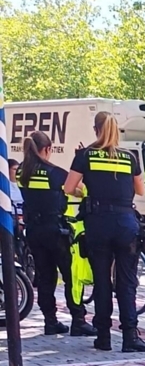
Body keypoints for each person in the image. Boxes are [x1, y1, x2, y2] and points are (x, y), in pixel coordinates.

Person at [64, 111, 145, 353]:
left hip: (98, 223)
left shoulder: (85, 155)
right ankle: (130, 337)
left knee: (102, 281)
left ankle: (103, 337)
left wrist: (86, 192)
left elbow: (69, 187)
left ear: (96, 130)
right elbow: (141, 191)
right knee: (126, 283)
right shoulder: (129, 157)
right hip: (126, 223)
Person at [18, 132, 97, 337]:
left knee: (45, 277)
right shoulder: (55, 173)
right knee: (71, 277)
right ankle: (78, 321)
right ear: (47, 149)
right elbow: (81, 190)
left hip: (34, 231)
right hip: (57, 231)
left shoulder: (21, 172)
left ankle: (50, 322)